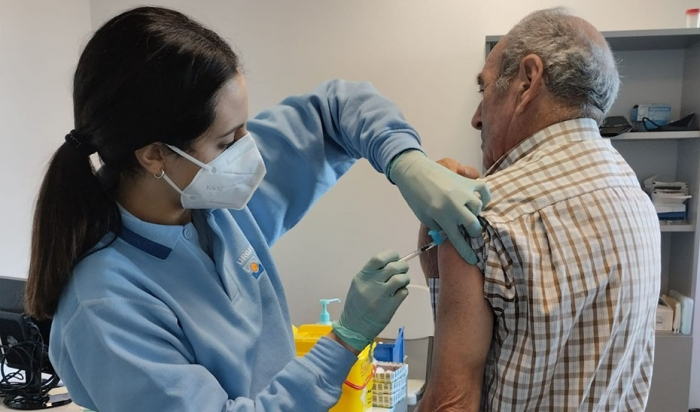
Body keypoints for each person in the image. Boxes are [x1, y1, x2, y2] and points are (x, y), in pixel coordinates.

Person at [23, 6, 490, 412]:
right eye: (228, 141)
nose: (251, 155)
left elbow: (338, 108)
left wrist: (405, 163)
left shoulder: (205, 203)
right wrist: (345, 339)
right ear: (153, 154)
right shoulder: (106, 306)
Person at [418, 8, 660, 412]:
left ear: (528, 80)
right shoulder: (634, 195)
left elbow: (451, 404)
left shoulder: (486, 214)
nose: (477, 118)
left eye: (485, 89)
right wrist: (432, 220)